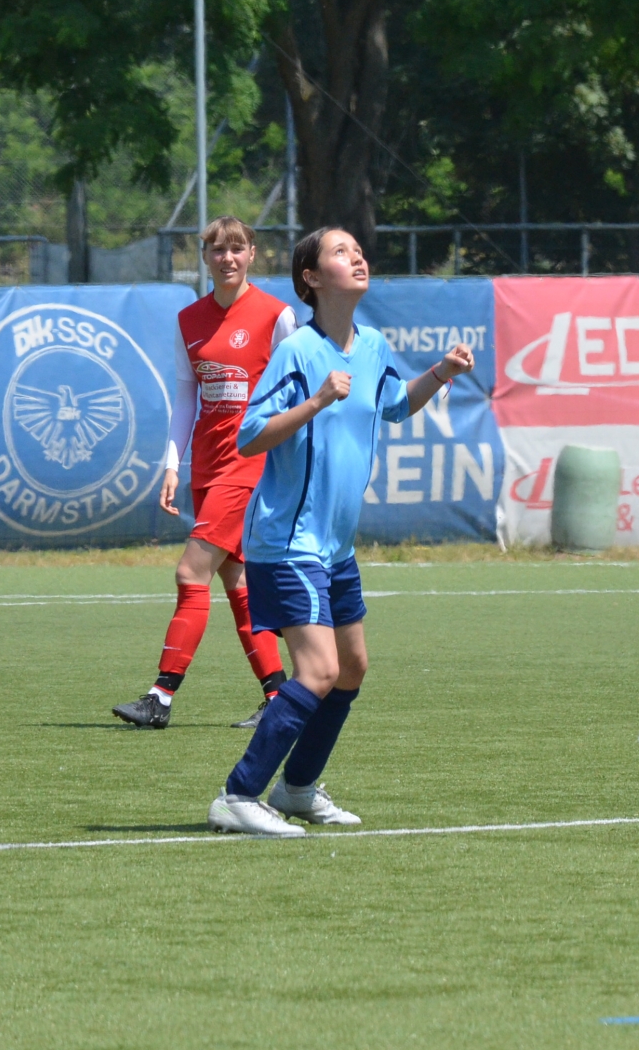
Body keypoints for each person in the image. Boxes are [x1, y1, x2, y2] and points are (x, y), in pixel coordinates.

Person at [207, 227, 473, 837]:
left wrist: (441, 371)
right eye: (340, 252)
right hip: (286, 542)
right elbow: (250, 435)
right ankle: (238, 794)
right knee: (319, 671)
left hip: (334, 547)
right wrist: (318, 401)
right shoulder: (298, 350)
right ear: (311, 278)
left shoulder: (373, 344)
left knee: (350, 667)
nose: (356, 258)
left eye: (357, 251)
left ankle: (297, 789)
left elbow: (394, 405)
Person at [113, 217, 296, 731]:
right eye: (217, 249)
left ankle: (160, 696)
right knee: (238, 583)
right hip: (207, 465)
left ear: (253, 254)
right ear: (205, 257)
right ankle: (279, 696)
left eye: (237, 248)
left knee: (190, 573)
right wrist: (173, 464)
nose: (227, 258)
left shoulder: (277, 316)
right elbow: (186, 395)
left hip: (250, 464)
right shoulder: (188, 319)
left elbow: (297, 392)